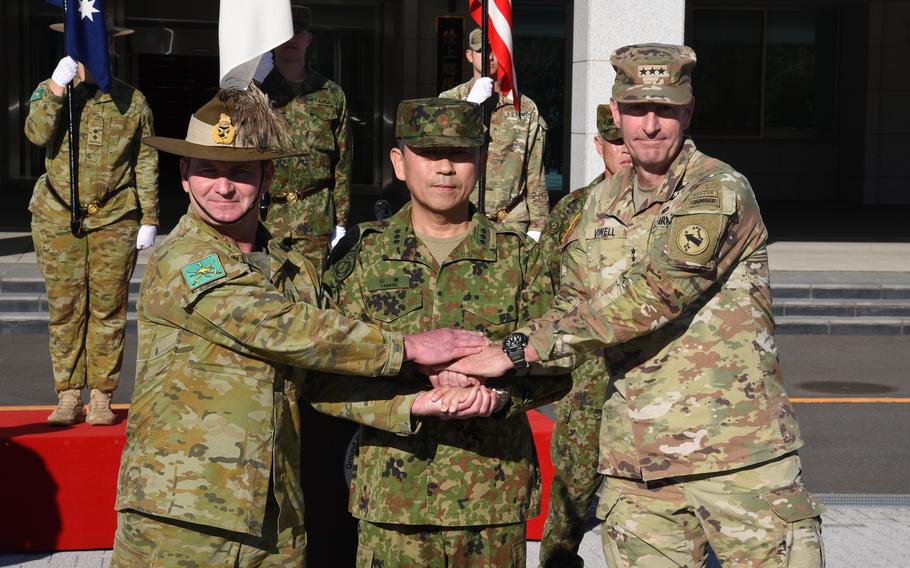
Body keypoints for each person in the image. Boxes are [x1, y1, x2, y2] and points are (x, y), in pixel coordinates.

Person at [440, 44, 826, 567]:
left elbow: (655, 294)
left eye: (665, 110)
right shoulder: (595, 205)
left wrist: (515, 350)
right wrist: (478, 365)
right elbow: (571, 311)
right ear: (616, 113)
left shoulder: (718, 190)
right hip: (638, 467)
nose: (650, 125)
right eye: (637, 109)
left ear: (687, 112)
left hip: (739, 460)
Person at [111, 86, 489, 566]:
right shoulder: (184, 260)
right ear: (184, 176)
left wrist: (414, 402)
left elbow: (319, 378)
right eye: (207, 170)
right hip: (182, 514)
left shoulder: (293, 267)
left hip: (277, 513)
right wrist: (410, 347)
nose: (223, 187)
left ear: (267, 176)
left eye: (241, 172)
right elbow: (278, 327)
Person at [303, 97, 570, 567]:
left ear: (482, 163)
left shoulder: (521, 258)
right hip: (392, 500)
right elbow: (321, 377)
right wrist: (406, 404)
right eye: (428, 154)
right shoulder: (359, 259)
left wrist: (502, 396)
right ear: (399, 163)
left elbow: (559, 362)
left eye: (461, 154)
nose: (445, 168)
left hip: (492, 499)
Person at [25, 19, 158, 426]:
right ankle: (67, 394)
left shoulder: (131, 101)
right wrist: (55, 89)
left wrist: (150, 217)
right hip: (57, 216)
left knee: (108, 310)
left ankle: (101, 394)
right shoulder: (51, 92)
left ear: (110, 49)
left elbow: (146, 160)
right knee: (65, 309)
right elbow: (36, 134)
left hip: (115, 218)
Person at [537, 105, 629, 567]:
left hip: (653, 367)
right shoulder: (573, 211)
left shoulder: (676, 204)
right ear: (600, 147)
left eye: (630, 141)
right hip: (589, 369)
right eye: (616, 144)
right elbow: (546, 286)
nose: (626, 152)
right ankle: (558, 559)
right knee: (574, 476)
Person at [256, 3, 350, 270]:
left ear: (308, 39)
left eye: (297, 33)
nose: (290, 40)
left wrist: (340, 222)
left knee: (312, 300)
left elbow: (342, 162)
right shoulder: (254, 93)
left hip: (315, 216)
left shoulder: (330, 94)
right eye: (283, 33)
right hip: (264, 218)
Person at [440, 28, 548, 240]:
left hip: (509, 220)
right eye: (481, 50)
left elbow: (535, 171)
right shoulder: (450, 100)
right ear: (469, 55)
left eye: (495, 50)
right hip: (460, 219)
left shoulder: (523, 107)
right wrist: (470, 106)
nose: (489, 56)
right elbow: (443, 149)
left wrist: (538, 226)